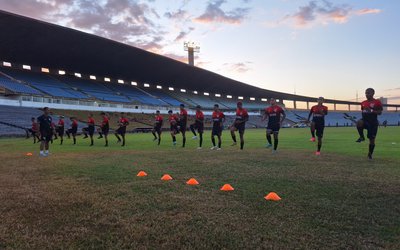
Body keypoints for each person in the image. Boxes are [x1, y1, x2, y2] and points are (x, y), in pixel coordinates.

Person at [355, 88, 383, 159]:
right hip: (365, 120)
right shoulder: (363, 102)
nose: (367, 94)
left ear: (373, 93)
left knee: (372, 140)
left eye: (368, 93)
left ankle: (370, 154)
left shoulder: (377, 102)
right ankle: (361, 137)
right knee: (359, 122)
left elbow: (380, 112)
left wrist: (371, 110)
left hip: (373, 123)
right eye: (366, 93)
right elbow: (363, 111)